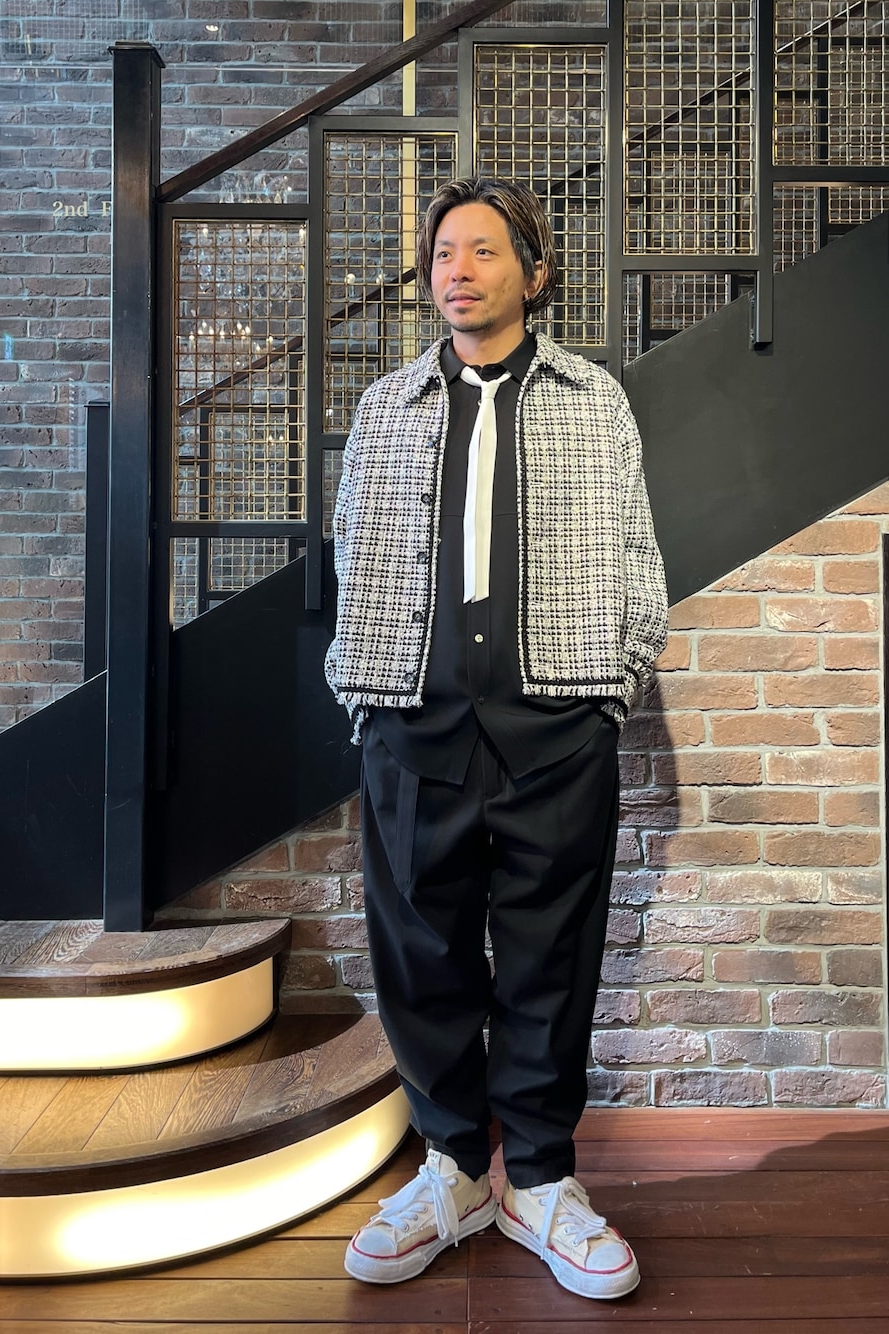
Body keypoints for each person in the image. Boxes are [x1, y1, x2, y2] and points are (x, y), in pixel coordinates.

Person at [325, 176, 667, 1301]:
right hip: (411, 721)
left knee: (549, 961)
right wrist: (366, 695)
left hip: (556, 723)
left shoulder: (592, 399)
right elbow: (352, 545)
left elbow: (635, 554)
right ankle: (456, 1171)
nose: (456, 270)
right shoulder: (389, 405)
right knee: (420, 955)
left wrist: (609, 691)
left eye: (481, 249)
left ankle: (543, 1180)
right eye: (442, 253)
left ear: (533, 269)